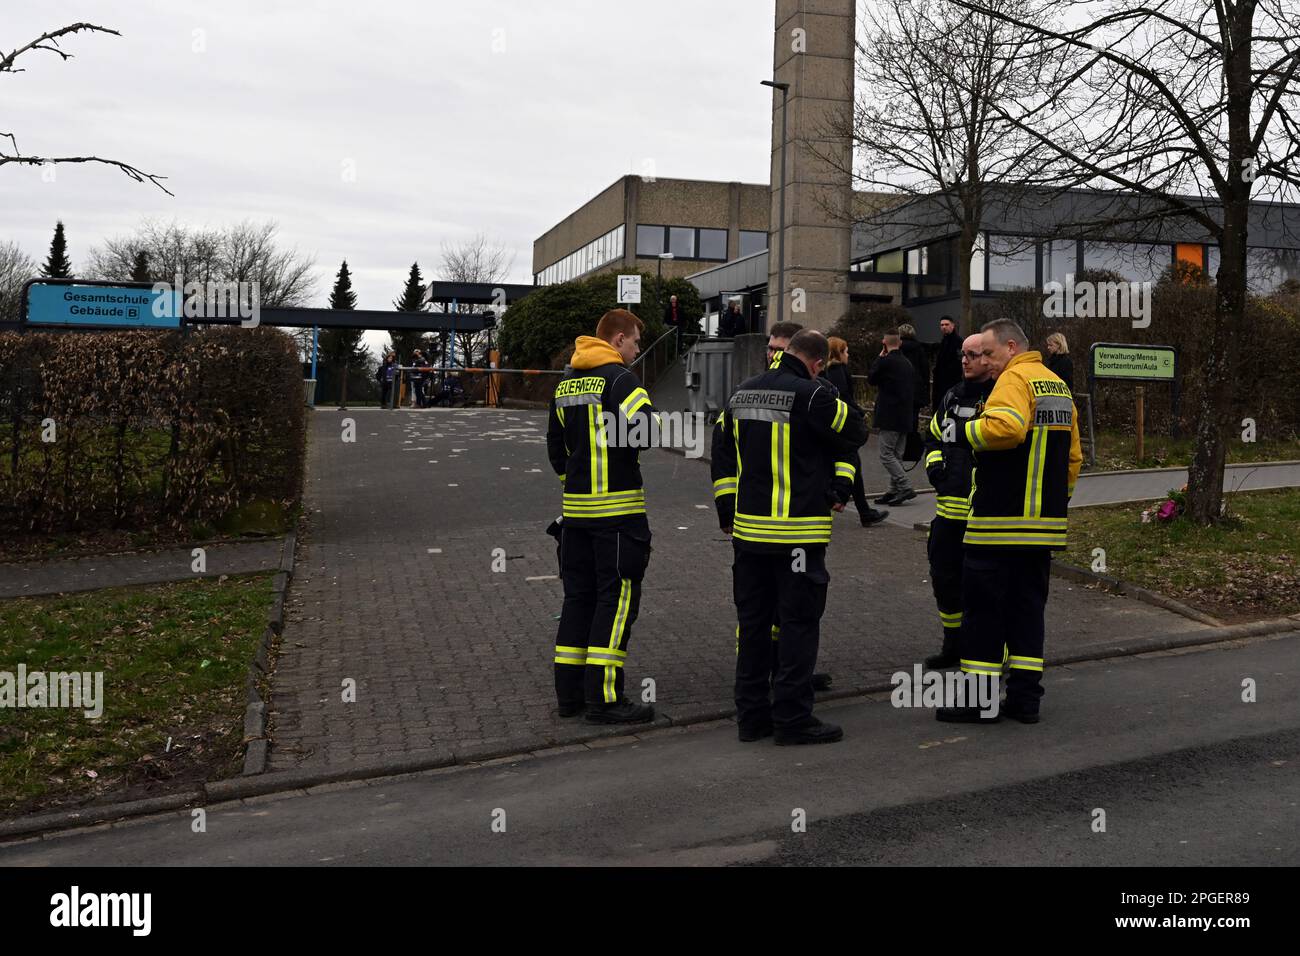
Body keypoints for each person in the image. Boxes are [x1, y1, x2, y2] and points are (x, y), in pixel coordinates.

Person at [711, 330, 867, 745]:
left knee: (754, 625)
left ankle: (752, 718)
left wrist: (727, 508)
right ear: (816, 363)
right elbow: (856, 432)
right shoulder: (814, 394)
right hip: (798, 535)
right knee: (798, 626)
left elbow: (723, 456)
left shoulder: (741, 394)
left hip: (748, 535)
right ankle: (793, 720)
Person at [938, 319, 1082, 724]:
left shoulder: (1013, 380)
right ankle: (1025, 700)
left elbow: (1007, 429)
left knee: (983, 614)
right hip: (1042, 528)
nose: (984, 359)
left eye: (989, 352)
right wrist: (1055, 503)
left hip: (997, 525)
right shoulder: (1056, 384)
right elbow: (1074, 458)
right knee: (1027, 613)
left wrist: (964, 431)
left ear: (1011, 347)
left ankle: (979, 702)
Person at [546, 309, 659, 724]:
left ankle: (570, 696)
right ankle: (605, 699)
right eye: (633, 342)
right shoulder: (621, 380)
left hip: (575, 517)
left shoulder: (566, 385)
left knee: (579, 599)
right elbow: (646, 432)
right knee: (615, 602)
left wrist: (576, 483)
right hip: (618, 517)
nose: (636, 349)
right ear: (616, 340)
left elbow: (556, 449)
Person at [920, 333, 993, 670]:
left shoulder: (999, 396)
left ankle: (992, 654)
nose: (964, 360)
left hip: (984, 516)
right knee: (944, 581)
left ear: (989, 358)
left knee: (982, 589)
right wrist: (936, 469)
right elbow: (934, 436)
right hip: (948, 514)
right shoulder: (951, 396)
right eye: (963, 354)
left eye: (972, 355)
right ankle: (953, 645)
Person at [825, 336, 889, 527]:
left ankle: (862, 510)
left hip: (840, 425)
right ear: (837, 353)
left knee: (853, 467)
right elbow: (844, 397)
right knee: (850, 464)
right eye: (845, 351)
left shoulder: (832, 371)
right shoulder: (837, 370)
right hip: (844, 427)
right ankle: (845, 502)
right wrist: (858, 413)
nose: (848, 354)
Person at [868, 331, 919, 505]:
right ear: (900, 343)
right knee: (896, 455)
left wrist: (879, 358)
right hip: (905, 415)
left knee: (886, 455)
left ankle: (905, 486)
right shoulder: (907, 363)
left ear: (884, 343)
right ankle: (893, 489)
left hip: (889, 415)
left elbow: (871, 378)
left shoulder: (886, 362)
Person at [897, 323, 931, 419]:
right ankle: (913, 433)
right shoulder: (919, 348)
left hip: (899, 386)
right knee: (914, 416)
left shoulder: (896, 348)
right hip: (916, 387)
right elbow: (925, 369)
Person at [931, 317, 962, 409]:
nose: (944, 327)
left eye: (946, 324)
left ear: (953, 326)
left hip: (951, 382)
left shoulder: (958, 342)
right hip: (941, 382)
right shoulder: (944, 341)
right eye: (942, 325)